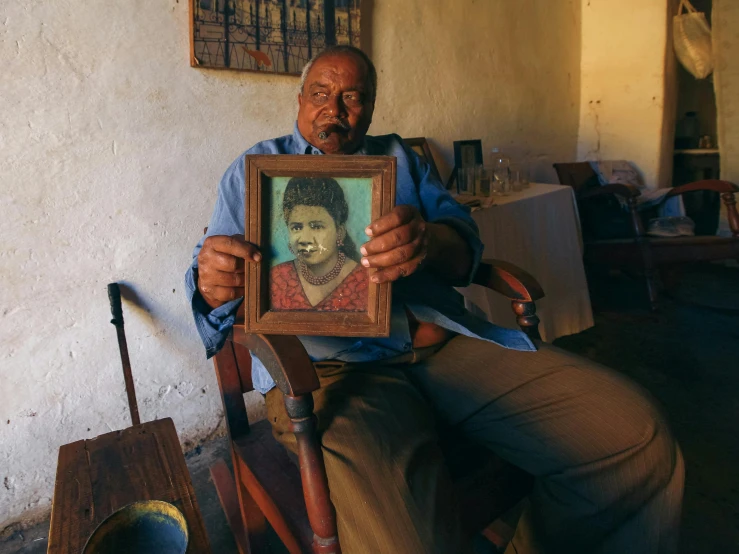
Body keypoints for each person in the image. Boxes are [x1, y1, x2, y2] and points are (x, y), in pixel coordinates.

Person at [186, 45, 684, 553]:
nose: (333, 111)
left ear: (373, 108)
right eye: (320, 94)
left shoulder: (399, 158)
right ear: (299, 100)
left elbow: (464, 243)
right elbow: (214, 291)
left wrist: (429, 241)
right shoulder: (255, 170)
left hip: (445, 346)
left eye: (352, 98)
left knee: (634, 439)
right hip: (331, 375)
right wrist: (211, 285)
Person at [270, 176, 368, 312]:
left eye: (316, 227)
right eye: (297, 228)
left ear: (339, 232)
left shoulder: (365, 280)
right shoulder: (276, 278)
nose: (305, 239)